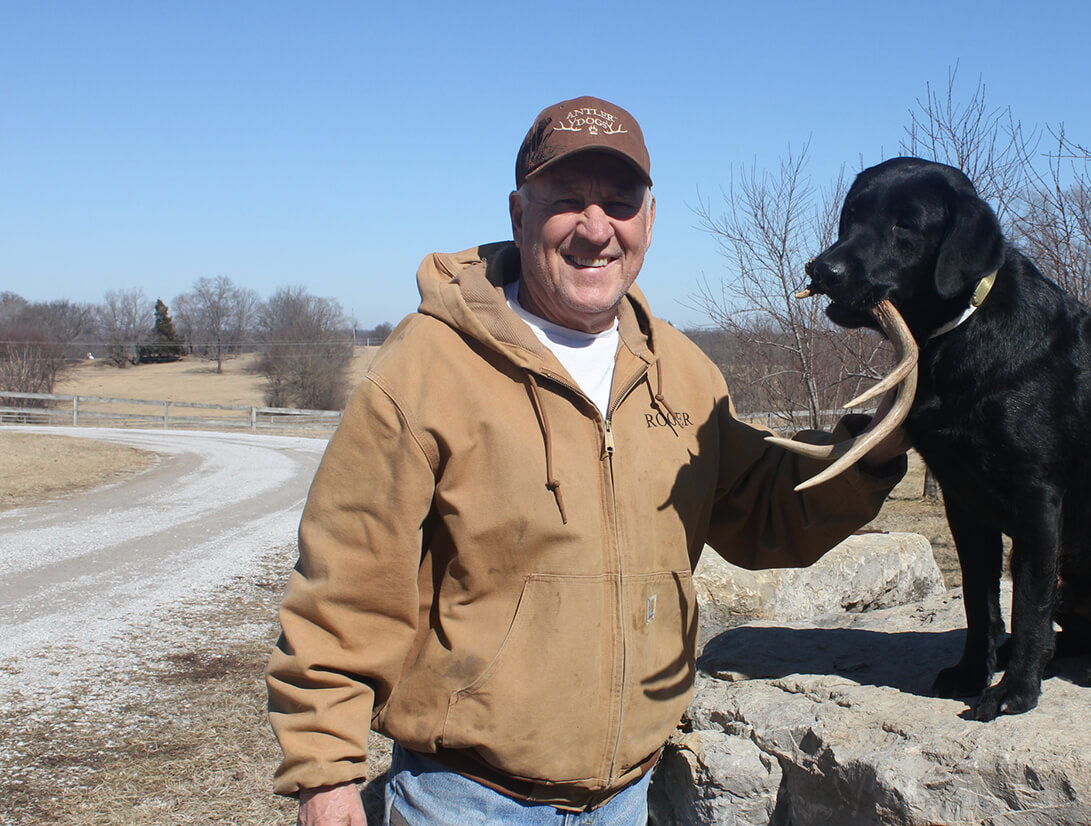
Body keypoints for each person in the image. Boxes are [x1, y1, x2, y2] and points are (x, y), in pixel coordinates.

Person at [266, 96, 907, 825]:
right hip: (466, 798)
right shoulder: (427, 366)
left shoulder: (682, 373)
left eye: (619, 203)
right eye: (567, 200)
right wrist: (326, 773)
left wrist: (882, 442)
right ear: (518, 213)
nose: (596, 229)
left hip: (628, 796)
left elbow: (767, 510)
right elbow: (348, 579)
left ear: (650, 220)